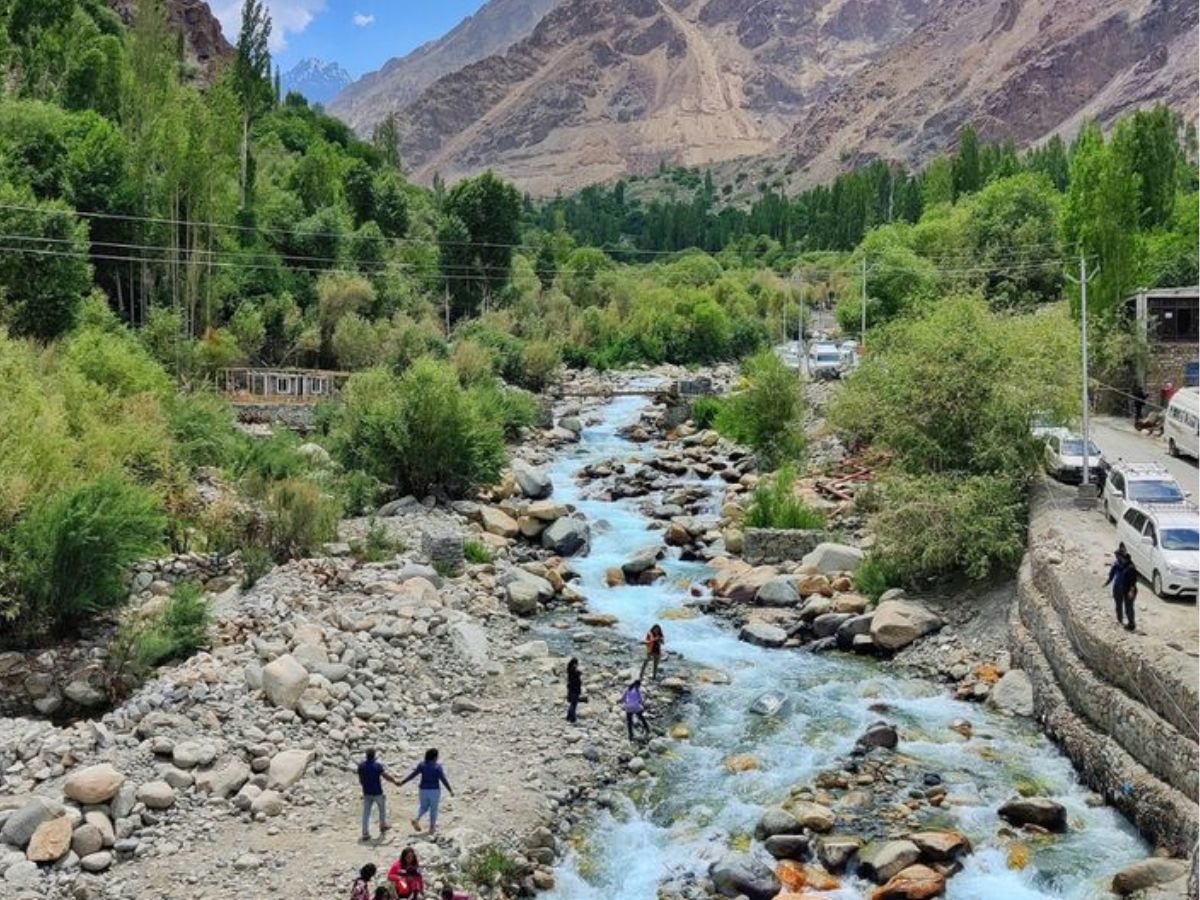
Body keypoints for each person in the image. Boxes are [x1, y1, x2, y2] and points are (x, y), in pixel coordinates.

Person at [399, 749, 454, 835]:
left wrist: (403, 782)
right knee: (433, 809)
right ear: (435, 757)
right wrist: (450, 790)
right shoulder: (437, 767)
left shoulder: (422, 765)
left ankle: (416, 818)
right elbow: (443, 780)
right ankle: (432, 827)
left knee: (423, 807)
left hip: (423, 789)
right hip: (434, 790)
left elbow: (413, 775)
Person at [358, 748, 401, 841]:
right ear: (374, 756)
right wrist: (394, 781)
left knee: (366, 813)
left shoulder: (361, 766)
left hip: (366, 792)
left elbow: (361, 780)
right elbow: (386, 777)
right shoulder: (377, 766)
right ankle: (382, 825)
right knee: (382, 810)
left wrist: (364, 786)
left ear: (366, 755)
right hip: (377, 792)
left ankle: (365, 833)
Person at [1104, 544, 1137, 631]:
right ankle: (1119, 620)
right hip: (1117, 588)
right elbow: (1111, 575)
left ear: (1122, 557)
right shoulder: (1116, 564)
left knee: (1128, 607)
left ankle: (1131, 624)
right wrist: (1107, 582)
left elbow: (1133, 581)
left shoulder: (1131, 567)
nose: (1117, 558)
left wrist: (1131, 591)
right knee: (1118, 604)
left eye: (1118, 556)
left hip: (1128, 589)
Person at [566, 657, 583, 723]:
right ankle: (572, 718)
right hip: (575, 689)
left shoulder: (570, 670)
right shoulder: (574, 671)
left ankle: (568, 717)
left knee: (572, 703)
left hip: (571, 688)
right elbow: (578, 674)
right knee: (574, 704)